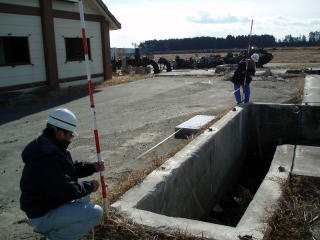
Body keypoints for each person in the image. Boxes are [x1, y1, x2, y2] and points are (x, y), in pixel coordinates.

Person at [20, 108, 105, 240]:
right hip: (42, 215)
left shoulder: (49, 145)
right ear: (60, 133)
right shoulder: (46, 157)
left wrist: (92, 167)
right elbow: (65, 191)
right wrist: (90, 186)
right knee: (96, 213)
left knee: (84, 199)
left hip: (49, 203)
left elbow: (69, 168)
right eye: (70, 135)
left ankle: (60, 230)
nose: (71, 138)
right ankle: (52, 238)